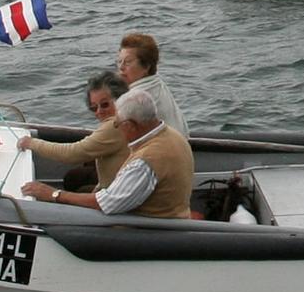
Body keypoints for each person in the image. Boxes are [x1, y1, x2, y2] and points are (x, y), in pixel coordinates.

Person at [16, 87, 193, 217]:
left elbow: (107, 203)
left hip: (150, 230)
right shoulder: (173, 135)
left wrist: (53, 194)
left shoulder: (146, 161)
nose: (115, 127)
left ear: (130, 125)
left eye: (117, 124)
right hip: (176, 215)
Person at [19, 71, 130, 191]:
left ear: (120, 99)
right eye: (93, 107)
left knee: (78, 187)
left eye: (104, 105)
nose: (99, 112)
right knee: (73, 177)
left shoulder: (115, 125)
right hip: (117, 184)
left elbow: (71, 154)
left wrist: (31, 143)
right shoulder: (125, 117)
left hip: (117, 194)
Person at [115, 32, 186, 133]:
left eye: (127, 62)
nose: (121, 67)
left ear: (146, 66)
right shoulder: (158, 84)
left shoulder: (137, 98)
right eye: (119, 61)